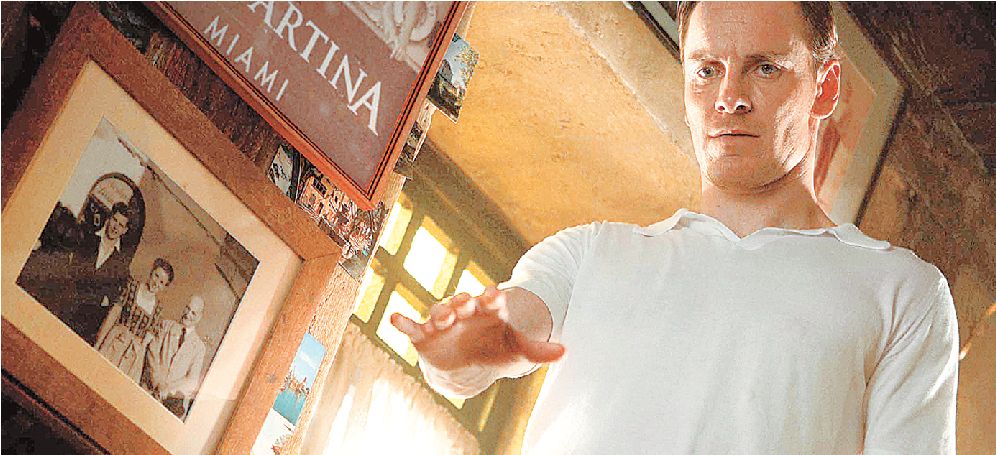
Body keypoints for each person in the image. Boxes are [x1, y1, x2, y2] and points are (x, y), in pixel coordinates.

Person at [391, 2, 958, 454]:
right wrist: (458, 351)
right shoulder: (588, 254)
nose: (729, 99)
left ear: (826, 87)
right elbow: (497, 341)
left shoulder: (902, 295)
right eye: (706, 71)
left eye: (764, 68)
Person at [94, 258, 175, 383]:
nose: (156, 283)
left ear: (164, 287)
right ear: (151, 272)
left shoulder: (158, 310)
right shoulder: (132, 287)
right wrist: (98, 344)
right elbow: (112, 315)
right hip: (114, 343)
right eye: (156, 276)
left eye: (161, 282)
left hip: (132, 356)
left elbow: (146, 344)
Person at [144, 295, 207, 419]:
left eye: (193, 313)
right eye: (187, 308)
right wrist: (157, 382)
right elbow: (152, 351)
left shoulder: (199, 348)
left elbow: (192, 379)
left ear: (199, 317)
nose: (187, 314)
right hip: (148, 388)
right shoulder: (166, 325)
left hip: (168, 401)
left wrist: (167, 390)